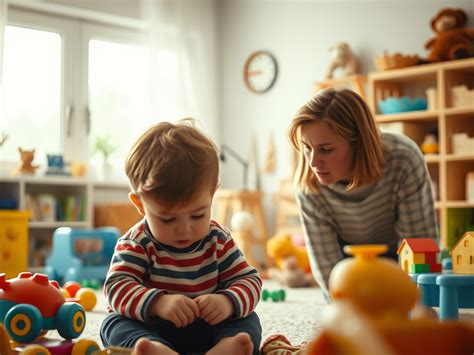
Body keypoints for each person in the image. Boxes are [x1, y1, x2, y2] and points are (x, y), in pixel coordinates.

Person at [100, 119, 262, 355]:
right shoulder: (136, 243)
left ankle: (226, 349)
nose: (184, 229)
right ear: (140, 204)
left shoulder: (218, 239)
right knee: (114, 324)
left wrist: (227, 302)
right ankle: (155, 350)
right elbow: (116, 287)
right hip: (152, 327)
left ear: (212, 195)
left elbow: (250, 281)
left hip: (208, 329)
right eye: (167, 219)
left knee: (247, 320)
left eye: (197, 215)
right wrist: (158, 303)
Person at [287, 88, 438, 299]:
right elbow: (328, 270)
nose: (313, 162)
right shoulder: (308, 184)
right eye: (307, 147)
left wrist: (414, 304)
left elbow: (419, 247)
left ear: (358, 144)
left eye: (327, 149)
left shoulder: (403, 159)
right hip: (347, 265)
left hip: (396, 256)